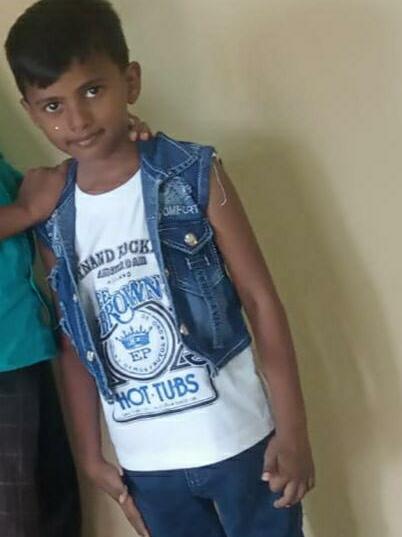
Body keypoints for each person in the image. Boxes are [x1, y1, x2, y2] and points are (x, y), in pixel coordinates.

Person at [5, 1, 315, 536]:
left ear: (130, 81)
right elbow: (72, 340)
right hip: (147, 464)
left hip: (240, 441)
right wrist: (91, 456)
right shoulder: (52, 212)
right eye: (53, 105)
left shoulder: (192, 174)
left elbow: (260, 299)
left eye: (92, 91)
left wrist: (292, 430)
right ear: (31, 112)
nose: (77, 120)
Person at [0, 157, 80, 537]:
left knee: (52, 508)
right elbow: (33, 204)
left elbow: (41, 190)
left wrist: (105, 146)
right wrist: (26, 211)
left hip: (22, 349)